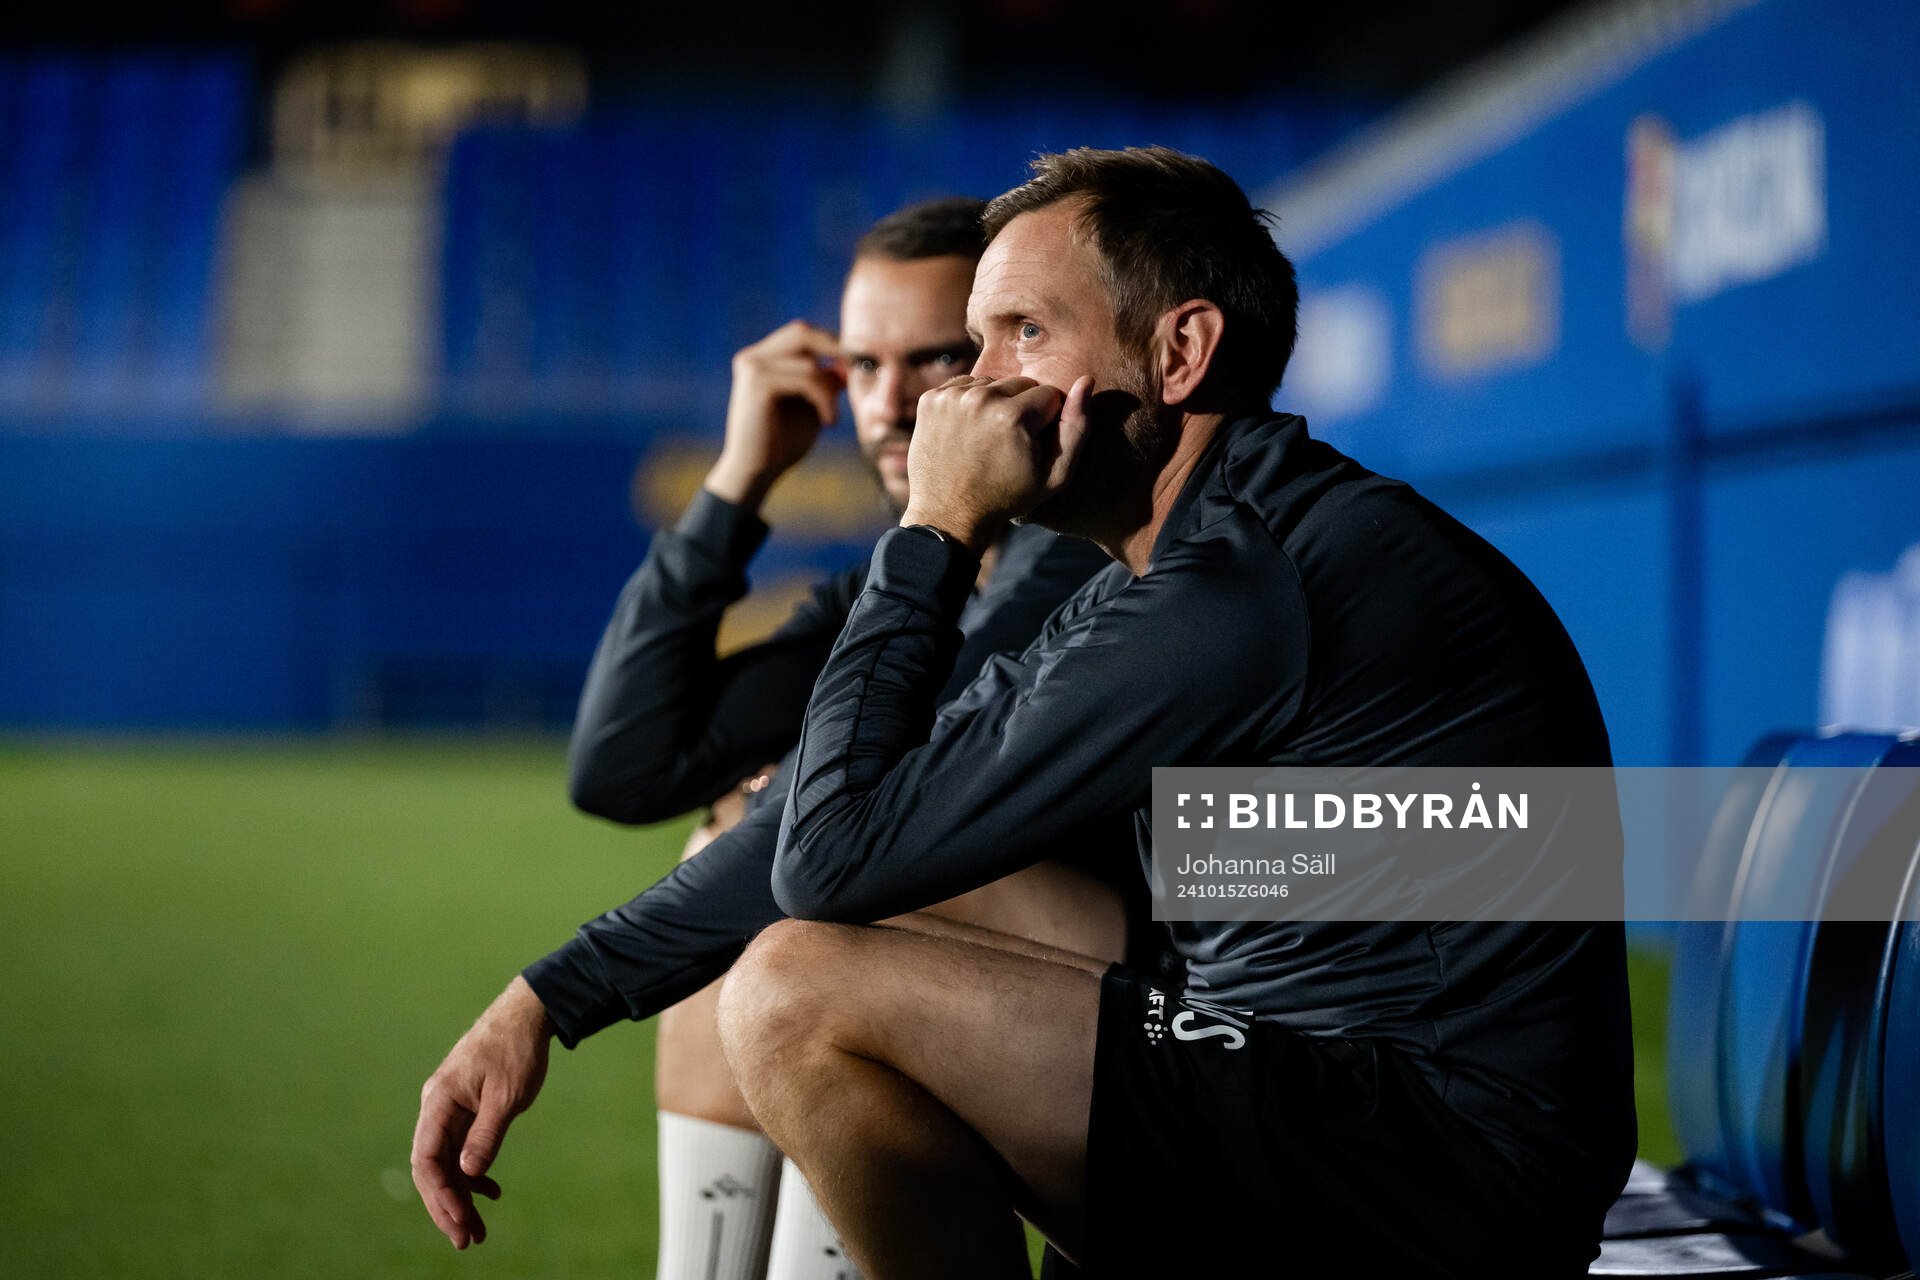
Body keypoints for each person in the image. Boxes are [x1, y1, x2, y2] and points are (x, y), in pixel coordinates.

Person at [413, 148, 1635, 1277]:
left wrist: (935, 525)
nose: (968, 389)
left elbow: (831, 858)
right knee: (825, 892)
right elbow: (847, 811)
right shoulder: (1188, 553)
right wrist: (545, 999)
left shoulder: (1238, 577)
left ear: (1180, 351)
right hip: (1343, 1088)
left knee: (796, 983)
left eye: (1019, 336)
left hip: (1441, 1176)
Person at [553, 196, 1125, 1280]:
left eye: (939, 357)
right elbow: (626, 764)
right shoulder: (902, 576)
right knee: (764, 837)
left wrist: (550, 995)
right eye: (862, 364)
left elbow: (904, 796)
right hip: (1098, 1009)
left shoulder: (1084, 550)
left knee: (843, 859)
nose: (892, 402)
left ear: (1021, 352)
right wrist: (737, 482)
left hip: (1204, 1029)